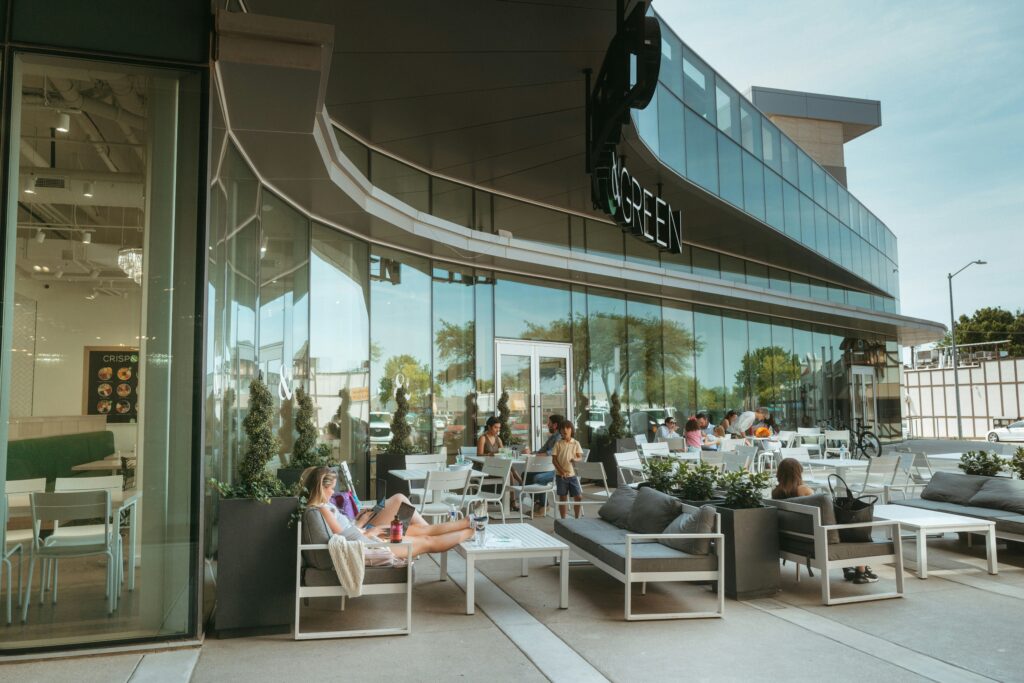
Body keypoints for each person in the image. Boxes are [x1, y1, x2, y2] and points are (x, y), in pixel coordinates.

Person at [303, 466, 473, 559]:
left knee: (422, 532)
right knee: (427, 540)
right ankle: (471, 530)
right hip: (369, 544)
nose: (333, 492)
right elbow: (342, 536)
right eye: (331, 489)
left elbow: (344, 532)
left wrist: (362, 526)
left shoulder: (322, 507)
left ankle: (467, 523)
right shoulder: (323, 509)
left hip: (367, 537)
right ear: (321, 488)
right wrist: (368, 532)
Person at [770, 459, 877, 585]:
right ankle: (861, 572)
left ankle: (849, 568)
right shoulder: (803, 490)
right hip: (817, 539)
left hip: (795, 540)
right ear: (798, 472)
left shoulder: (776, 493)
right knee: (854, 532)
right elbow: (822, 507)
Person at [551, 420, 584, 519]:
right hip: (561, 476)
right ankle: (563, 520)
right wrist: (561, 471)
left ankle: (577, 518)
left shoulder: (576, 443)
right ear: (560, 431)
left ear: (571, 430)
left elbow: (580, 457)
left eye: (567, 428)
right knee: (563, 498)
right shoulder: (558, 444)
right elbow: (554, 460)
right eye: (562, 428)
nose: (565, 430)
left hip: (572, 475)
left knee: (578, 497)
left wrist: (576, 459)